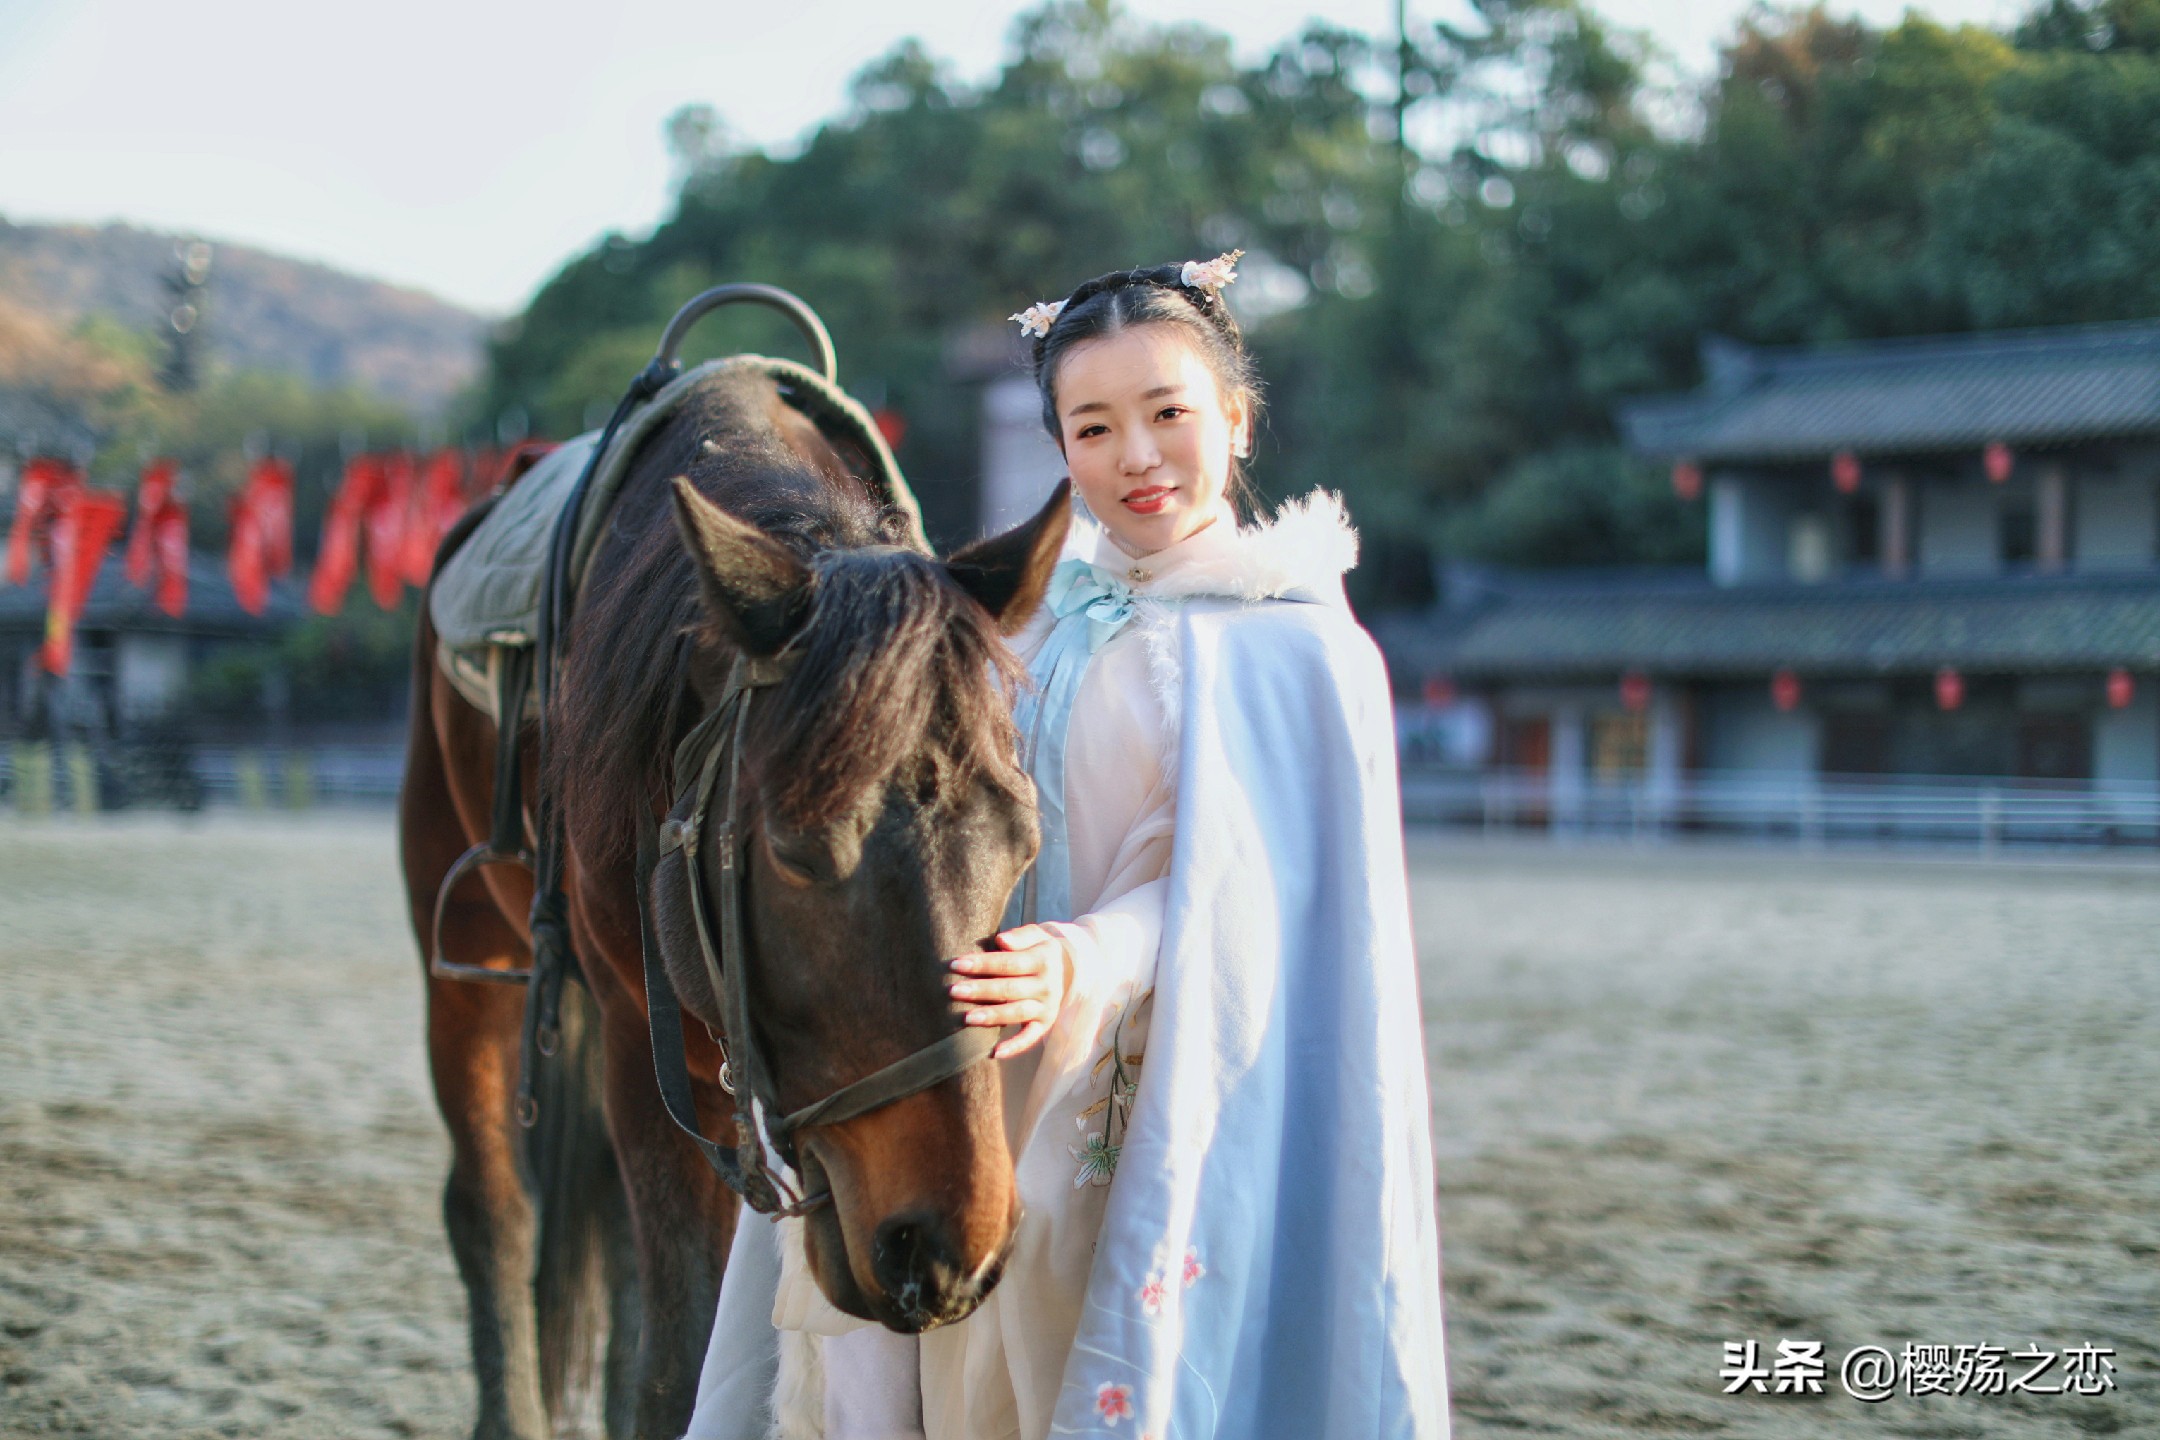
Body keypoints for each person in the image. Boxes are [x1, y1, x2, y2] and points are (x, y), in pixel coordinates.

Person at [686, 252, 1449, 1440]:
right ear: (1060, 445)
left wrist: (1080, 962)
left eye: (1168, 414)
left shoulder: (1302, 651)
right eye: (1093, 427)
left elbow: (1250, 896)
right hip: (958, 1045)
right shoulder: (1016, 610)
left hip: (1134, 1075)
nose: (1136, 457)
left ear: (1236, 419)